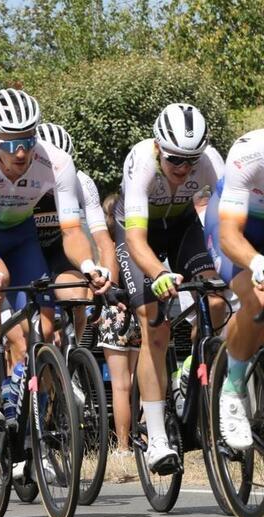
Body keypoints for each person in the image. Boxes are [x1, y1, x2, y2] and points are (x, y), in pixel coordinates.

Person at [0, 88, 109, 435]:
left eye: (27, 140)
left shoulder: (58, 161)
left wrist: (89, 265)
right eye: (8, 143)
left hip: (21, 234)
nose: (20, 151)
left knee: (46, 329)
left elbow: (72, 232)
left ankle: (29, 412)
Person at [115, 103, 226, 473]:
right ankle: (158, 436)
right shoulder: (141, 163)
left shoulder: (209, 161)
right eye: (175, 159)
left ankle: (189, 370)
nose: (183, 169)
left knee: (216, 300)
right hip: (139, 232)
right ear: (160, 148)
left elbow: (226, 215)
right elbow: (135, 239)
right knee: (154, 325)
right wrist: (158, 273)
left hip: (182, 227)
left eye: (191, 161)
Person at [204, 128, 264, 450]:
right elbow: (229, 236)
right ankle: (233, 389)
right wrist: (256, 262)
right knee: (259, 298)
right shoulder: (250, 152)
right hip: (235, 227)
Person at [33, 123, 118, 340]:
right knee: (36, 329)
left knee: (77, 296)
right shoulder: (22, 185)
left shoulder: (81, 182)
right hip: (27, 249)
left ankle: (72, 357)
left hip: (59, 250)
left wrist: (111, 288)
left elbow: (103, 241)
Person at [97, 193, 140, 456]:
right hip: (140, 309)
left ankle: (123, 446)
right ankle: (145, 436)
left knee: (120, 385)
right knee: (142, 380)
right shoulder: (136, 243)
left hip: (115, 314)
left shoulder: (107, 248)